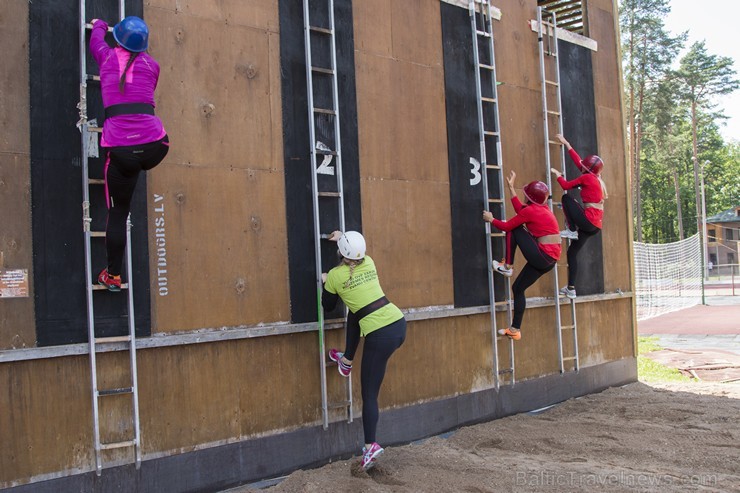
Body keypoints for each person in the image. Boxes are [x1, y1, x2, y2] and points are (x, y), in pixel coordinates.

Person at [90, 16, 169, 291]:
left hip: (122, 150)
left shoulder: (106, 56)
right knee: (133, 164)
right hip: (155, 147)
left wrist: (99, 23)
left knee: (118, 212)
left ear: (119, 38)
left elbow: (95, 41)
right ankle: (132, 165)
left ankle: (113, 276)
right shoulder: (153, 66)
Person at [321, 230, 406, 471]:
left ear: (341, 253)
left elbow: (327, 306)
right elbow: (352, 253)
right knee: (357, 309)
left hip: (380, 336)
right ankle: (346, 361)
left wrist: (326, 281)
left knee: (369, 395)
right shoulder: (369, 262)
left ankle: (371, 446)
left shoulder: (337, 276)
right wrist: (341, 237)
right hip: (397, 323)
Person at [481, 171, 561, 341]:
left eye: (525, 195)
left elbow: (507, 226)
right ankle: (515, 329)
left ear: (530, 199)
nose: (523, 198)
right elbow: (521, 210)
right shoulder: (541, 208)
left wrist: (491, 219)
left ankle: (507, 266)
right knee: (518, 288)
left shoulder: (532, 211)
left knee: (515, 229)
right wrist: (511, 188)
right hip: (548, 260)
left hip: (542, 256)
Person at [551, 134, 608, 299]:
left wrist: (557, 174)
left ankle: (571, 229)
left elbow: (566, 186)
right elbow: (579, 163)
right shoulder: (594, 177)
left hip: (588, 221)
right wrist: (567, 143)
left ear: (588, 169)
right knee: (571, 253)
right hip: (594, 226)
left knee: (566, 198)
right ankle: (571, 288)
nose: (580, 165)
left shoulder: (587, 178)